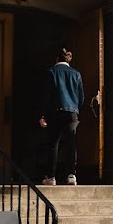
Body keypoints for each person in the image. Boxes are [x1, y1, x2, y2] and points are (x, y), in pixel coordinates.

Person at [39, 48, 85, 186]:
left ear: (57, 59)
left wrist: (42, 115)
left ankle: (51, 177)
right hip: (72, 113)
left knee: (53, 145)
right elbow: (81, 97)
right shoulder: (76, 74)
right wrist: (75, 109)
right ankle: (71, 175)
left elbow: (46, 96)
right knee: (71, 144)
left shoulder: (51, 72)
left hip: (55, 112)